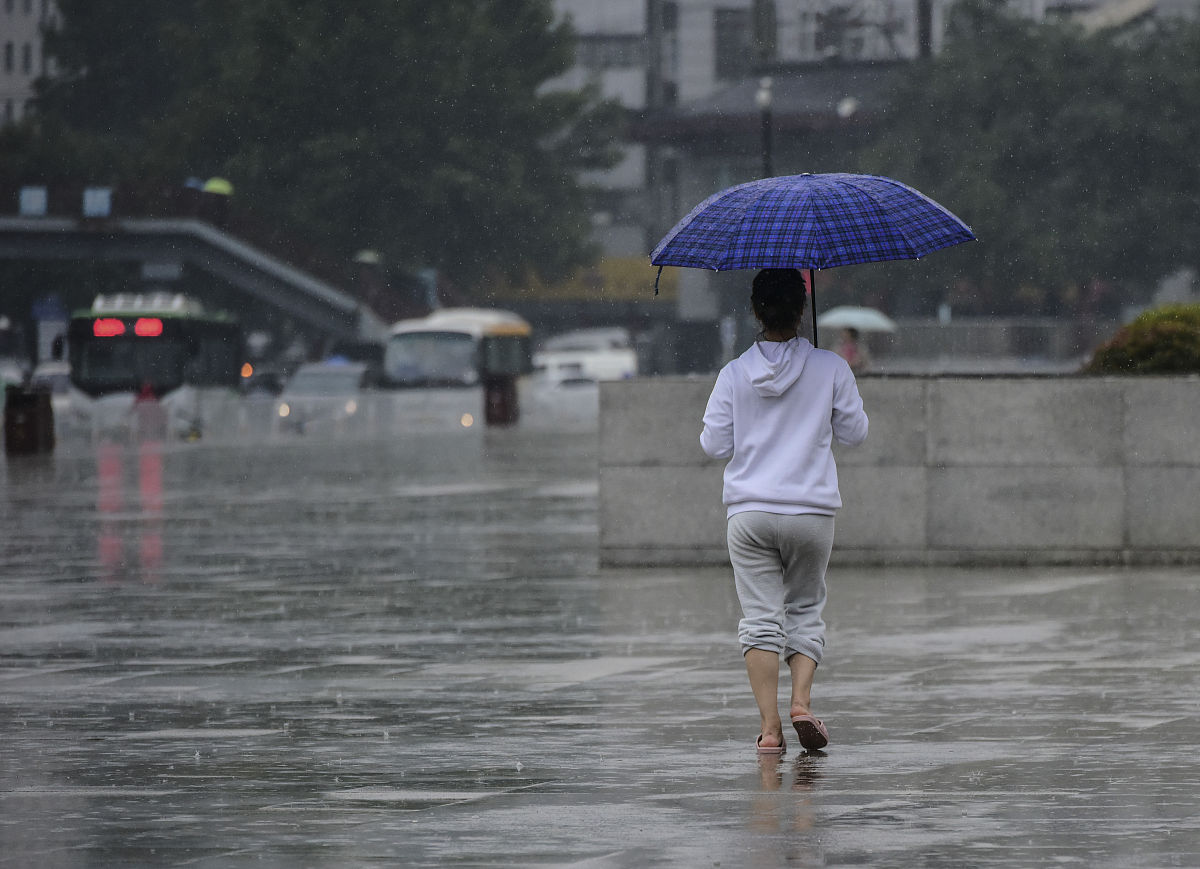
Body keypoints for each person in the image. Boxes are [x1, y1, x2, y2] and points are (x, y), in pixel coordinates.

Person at [700, 268, 868, 755]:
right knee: (805, 609)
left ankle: (770, 729)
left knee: (759, 619)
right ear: (802, 311)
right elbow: (856, 433)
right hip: (811, 511)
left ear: (755, 311)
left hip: (749, 513)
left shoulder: (733, 374)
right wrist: (822, 402)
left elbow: (713, 444)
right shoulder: (831, 367)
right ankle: (801, 702)